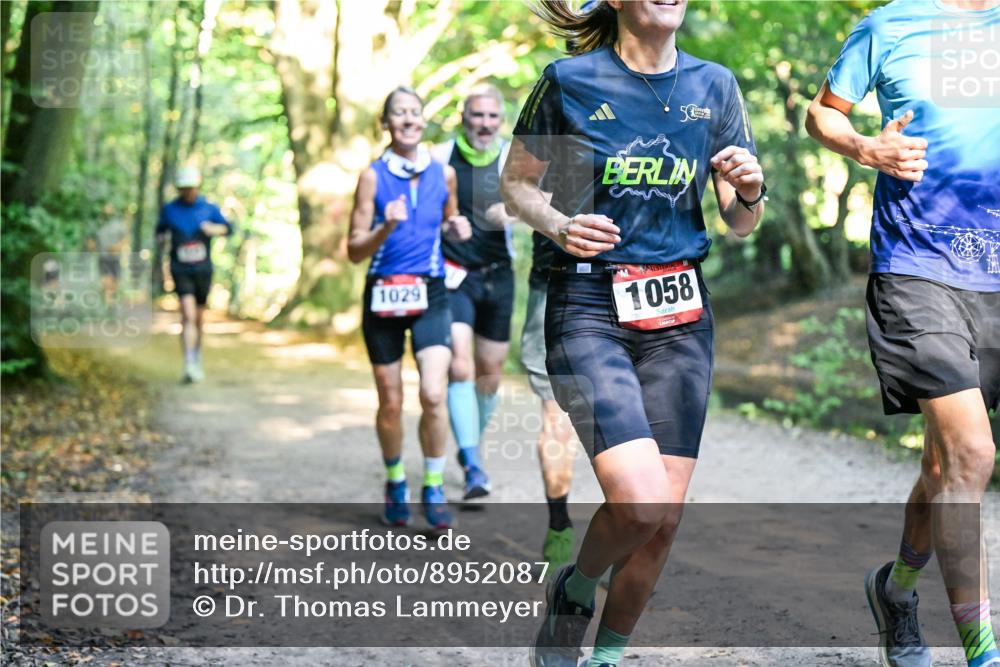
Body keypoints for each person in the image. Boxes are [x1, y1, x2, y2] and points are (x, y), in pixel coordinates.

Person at [501, 1, 766, 665]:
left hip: (679, 315)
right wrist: (558, 224)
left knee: (663, 521)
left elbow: (739, 219)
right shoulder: (571, 80)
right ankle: (577, 588)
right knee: (641, 502)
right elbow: (516, 185)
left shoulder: (715, 86)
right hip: (589, 304)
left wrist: (752, 191)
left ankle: (604, 657)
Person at [806, 2, 999, 666]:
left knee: (944, 466)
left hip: (996, 272)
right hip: (917, 267)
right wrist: (865, 147)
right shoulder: (890, 25)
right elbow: (821, 111)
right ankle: (983, 650)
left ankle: (897, 589)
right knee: (973, 454)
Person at [348, 86, 472, 530]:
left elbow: (449, 223)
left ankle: (434, 485)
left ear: (423, 121)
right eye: (398, 113)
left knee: (434, 393)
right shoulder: (371, 177)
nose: (408, 119)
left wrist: (457, 227)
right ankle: (396, 480)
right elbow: (354, 250)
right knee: (391, 401)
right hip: (383, 293)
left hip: (431, 292)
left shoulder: (445, 173)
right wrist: (386, 226)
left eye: (414, 112)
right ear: (386, 124)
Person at [430, 84, 519, 500]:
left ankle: (471, 449)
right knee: (460, 367)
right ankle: (472, 462)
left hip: (499, 275)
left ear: (500, 121)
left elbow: (555, 201)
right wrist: (444, 226)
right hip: (453, 275)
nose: (484, 124)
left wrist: (516, 209)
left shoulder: (514, 160)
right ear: (463, 117)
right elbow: (416, 209)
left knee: (489, 375)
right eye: (476, 115)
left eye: (491, 117)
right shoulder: (438, 158)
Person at [156, 166, 231, 383]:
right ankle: (188, 363)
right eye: (184, 189)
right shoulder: (170, 210)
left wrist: (213, 229)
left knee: (198, 318)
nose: (188, 192)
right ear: (180, 189)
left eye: (192, 188)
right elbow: (160, 232)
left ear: (198, 187)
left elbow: (228, 228)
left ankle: (196, 357)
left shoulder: (209, 209)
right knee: (187, 315)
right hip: (180, 270)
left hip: (203, 270)